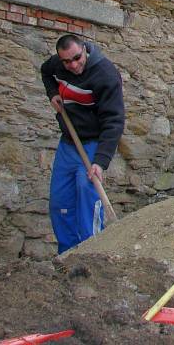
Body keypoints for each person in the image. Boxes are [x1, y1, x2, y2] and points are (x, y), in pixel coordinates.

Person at [40, 34, 125, 253]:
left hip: (93, 146)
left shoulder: (106, 75)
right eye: (67, 61)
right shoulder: (57, 65)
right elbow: (45, 72)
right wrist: (52, 93)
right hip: (68, 144)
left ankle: (91, 255)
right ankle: (66, 255)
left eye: (77, 58)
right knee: (61, 204)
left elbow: (114, 121)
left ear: (84, 49)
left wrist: (101, 161)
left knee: (88, 202)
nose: (74, 65)